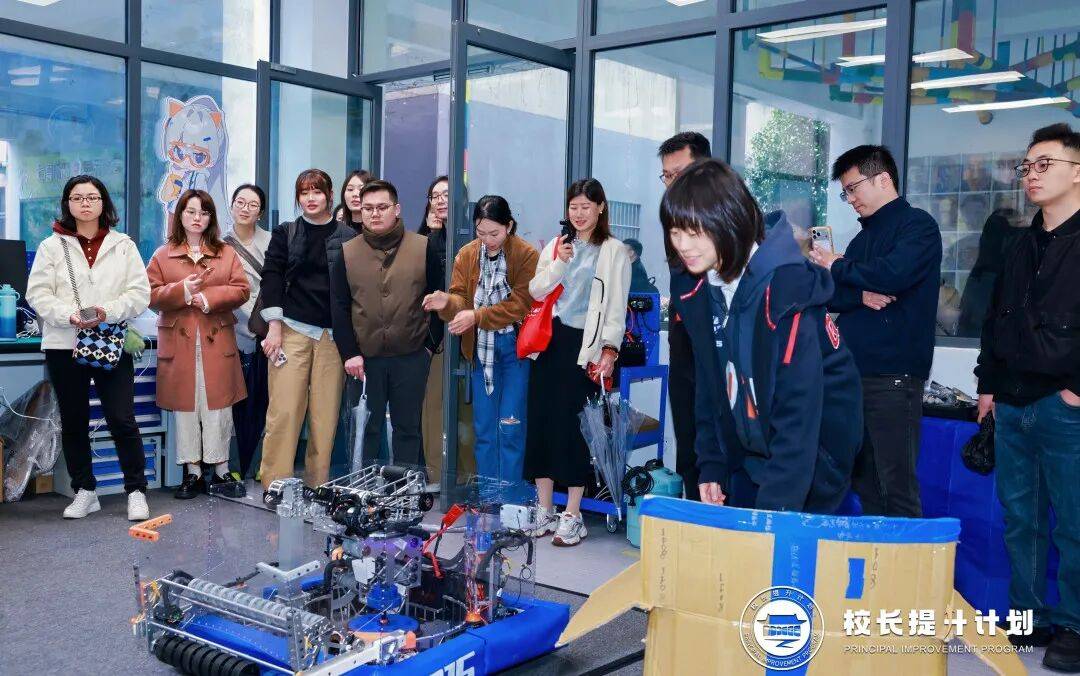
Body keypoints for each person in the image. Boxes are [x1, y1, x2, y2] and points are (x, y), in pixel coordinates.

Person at [666, 159, 862, 513]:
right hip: (752, 455)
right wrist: (711, 461)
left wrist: (774, 518)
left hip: (812, 463)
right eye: (675, 232)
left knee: (783, 545)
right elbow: (710, 381)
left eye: (694, 233)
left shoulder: (786, 292)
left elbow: (798, 417)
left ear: (729, 221)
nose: (683, 245)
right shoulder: (698, 288)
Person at [975, 123, 1080, 670]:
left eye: (1045, 164)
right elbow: (995, 319)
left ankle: (1075, 625)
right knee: (1021, 518)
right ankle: (1029, 615)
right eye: (1027, 166)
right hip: (1012, 400)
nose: (1031, 175)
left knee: (1075, 522)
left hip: (1065, 404)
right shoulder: (1018, 243)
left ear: (1077, 172)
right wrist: (987, 384)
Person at [809, 145, 942, 518]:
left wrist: (839, 266)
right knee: (865, 482)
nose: (850, 199)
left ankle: (906, 558)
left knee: (895, 487)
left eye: (853, 188)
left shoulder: (917, 226)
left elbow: (893, 275)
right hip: (852, 374)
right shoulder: (861, 239)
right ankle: (876, 556)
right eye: (845, 192)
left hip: (893, 377)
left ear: (882, 179)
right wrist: (859, 292)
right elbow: (833, 294)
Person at [26, 175, 151, 521]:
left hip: (111, 340)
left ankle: (136, 490)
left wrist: (105, 312)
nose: (85, 203)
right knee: (75, 420)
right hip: (64, 343)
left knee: (122, 418)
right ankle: (85, 490)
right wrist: (68, 315)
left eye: (92, 197)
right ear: (67, 204)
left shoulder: (123, 244)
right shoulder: (51, 246)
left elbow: (140, 293)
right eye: (77, 197)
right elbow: (37, 294)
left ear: (103, 202)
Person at [524, 178, 630, 547]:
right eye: (574, 207)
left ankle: (572, 514)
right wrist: (559, 263)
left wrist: (610, 350)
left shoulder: (615, 251)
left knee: (573, 429)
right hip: (548, 342)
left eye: (586, 206)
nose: (579, 213)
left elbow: (616, 306)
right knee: (541, 424)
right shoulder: (558, 245)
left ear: (601, 207)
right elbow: (535, 290)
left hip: (584, 346)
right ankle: (544, 509)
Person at [422, 195, 539, 490]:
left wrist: (477, 316)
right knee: (484, 429)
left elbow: (521, 304)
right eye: (481, 232)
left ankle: (511, 500)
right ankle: (488, 498)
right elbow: (460, 298)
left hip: (515, 348)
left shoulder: (525, 254)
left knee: (510, 427)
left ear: (509, 226)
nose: (487, 240)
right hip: (479, 350)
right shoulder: (467, 254)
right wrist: (446, 302)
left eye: (494, 233)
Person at [330, 179, 443, 471]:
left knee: (408, 429)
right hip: (364, 359)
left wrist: (429, 347)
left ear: (397, 209)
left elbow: (439, 299)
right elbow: (339, 307)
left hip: (412, 355)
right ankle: (366, 491)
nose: (375, 214)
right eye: (368, 208)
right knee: (366, 430)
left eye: (382, 207)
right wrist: (349, 353)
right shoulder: (347, 252)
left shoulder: (423, 247)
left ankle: (404, 489)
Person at [147, 190, 250, 499]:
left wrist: (206, 298)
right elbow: (149, 295)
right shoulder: (162, 254)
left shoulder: (226, 252)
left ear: (211, 218)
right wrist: (182, 291)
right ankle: (192, 472)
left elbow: (241, 289)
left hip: (216, 339)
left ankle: (220, 469)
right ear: (180, 215)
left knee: (218, 406)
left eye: (203, 213)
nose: (197, 218)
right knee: (186, 409)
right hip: (179, 343)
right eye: (190, 211)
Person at [258, 169, 356, 490]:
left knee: (324, 419)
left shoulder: (349, 236)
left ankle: (318, 486)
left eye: (317, 192)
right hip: (291, 331)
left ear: (330, 195)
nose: (310, 198)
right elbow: (271, 277)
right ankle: (276, 486)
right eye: (304, 192)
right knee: (284, 413)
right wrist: (274, 326)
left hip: (332, 338)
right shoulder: (285, 232)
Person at [658, 131, 711, 501]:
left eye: (679, 173)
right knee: (687, 438)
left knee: (717, 445)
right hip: (684, 339)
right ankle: (694, 518)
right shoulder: (671, 216)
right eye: (666, 176)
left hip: (719, 342)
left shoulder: (729, 215)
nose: (672, 183)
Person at [223, 183, 271, 479]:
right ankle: (234, 466)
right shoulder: (219, 244)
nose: (245, 208)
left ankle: (260, 465)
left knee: (263, 400)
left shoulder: (273, 241)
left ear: (260, 212)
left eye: (252, 205)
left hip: (267, 332)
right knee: (235, 403)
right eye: (240, 202)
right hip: (231, 331)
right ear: (231, 206)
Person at [418, 176, 452, 480]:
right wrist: (430, 233)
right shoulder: (427, 239)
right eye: (434, 196)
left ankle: (465, 477)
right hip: (434, 336)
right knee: (432, 409)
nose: (440, 200)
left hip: (467, 333)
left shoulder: (471, 237)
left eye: (446, 194)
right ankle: (436, 475)